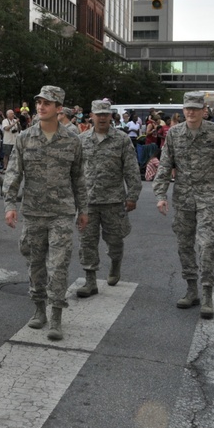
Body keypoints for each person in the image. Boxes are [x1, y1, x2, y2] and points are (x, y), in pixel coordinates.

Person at [3, 86, 88, 341]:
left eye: (47, 103)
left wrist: (83, 209)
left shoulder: (72, 140)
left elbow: (79, 178)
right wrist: (10, 205)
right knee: (35, 264)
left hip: (61, 212)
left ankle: (56, 317)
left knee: (58, 265)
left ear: (59, 108)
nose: (41, 107)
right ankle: (39, 309)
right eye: (39, 102)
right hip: (33, 212)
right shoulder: (25, 138)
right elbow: (14, 174)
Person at [153, 92, 214, 320]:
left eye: (195, 108)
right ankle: (191, 289)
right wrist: (160, 194)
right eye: (187, 108)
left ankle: (207, 293)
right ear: (183, 109)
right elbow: (165, 165)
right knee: (184, 245)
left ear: (204, 109)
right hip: (183, 198)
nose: (191, 112)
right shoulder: (174, 134)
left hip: (208, 197)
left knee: (207, 244)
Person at [76, 99, 142, 297]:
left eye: (106, 114)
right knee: (87, 242)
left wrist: (132, 195)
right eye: (98, 114)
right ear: (92, 116)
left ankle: (115, 263)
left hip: (113, 200)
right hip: (88, 202)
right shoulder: (81, 140)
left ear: (111, 116)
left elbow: (131, 169)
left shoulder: (121, 139)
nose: (102, 117)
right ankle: (90, 280)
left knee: (115, 240)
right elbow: (75, 171)